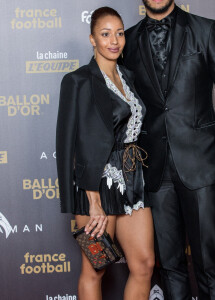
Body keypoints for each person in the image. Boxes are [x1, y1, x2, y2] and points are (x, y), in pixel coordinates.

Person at [122, 1, 215, 299]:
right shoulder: (128, 40)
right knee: (169, 266)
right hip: (153, 169)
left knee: (209, 263)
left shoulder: (206, 30)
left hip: (202, 165)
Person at [56, 7, 154, 300]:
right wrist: (92, 201)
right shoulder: (78, 80)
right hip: (97, 184)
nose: (114, 40)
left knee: (144, 264)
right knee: (95, 269)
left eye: (120, 33)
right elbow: (69, 145)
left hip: (133, 178)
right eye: (105, 34)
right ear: (92, 39)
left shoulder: (129, 76)